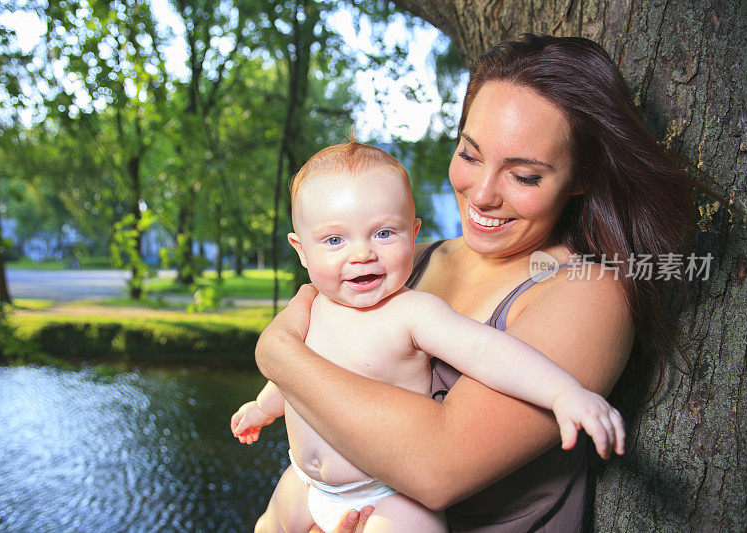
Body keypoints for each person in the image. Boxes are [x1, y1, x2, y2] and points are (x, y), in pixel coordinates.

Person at [254, 34, 695, 532]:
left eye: (524, 175)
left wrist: (277, 352)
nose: (481, 194)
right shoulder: (400, 260)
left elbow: (434, 468)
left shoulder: (589, 293)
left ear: (581, 176)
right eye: (469, 154)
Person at [231, 142, 625, 533]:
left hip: (387, 494)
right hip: (307, 481)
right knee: (269, 525)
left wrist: (561, 393)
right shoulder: (312, 304)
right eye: (335, 240)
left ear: (412, 232)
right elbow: (298, 376)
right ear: (302, 251)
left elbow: (488, 352)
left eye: (384, 233)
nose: (362, 254)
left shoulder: (412, 312)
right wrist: (263, 408)